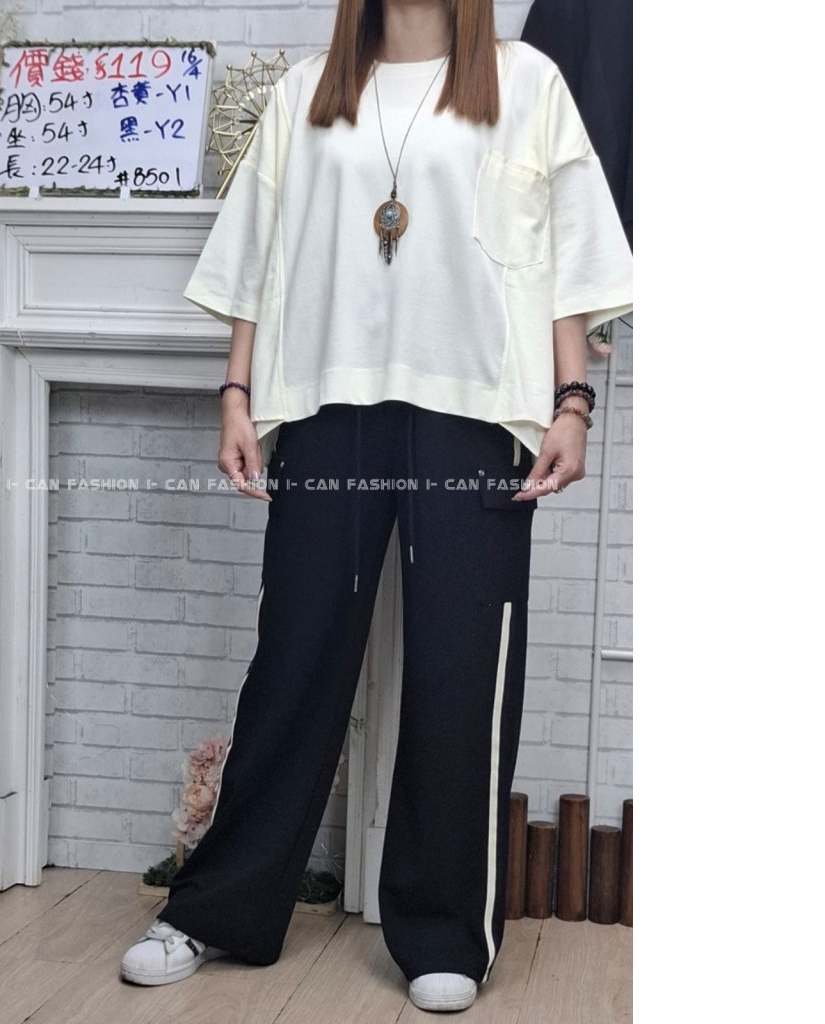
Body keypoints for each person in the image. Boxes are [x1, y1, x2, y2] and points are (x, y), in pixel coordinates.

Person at [121, 0, 632, 1013]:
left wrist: (572, 400)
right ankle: (219, 906)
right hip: (329, 407)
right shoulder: (305, 93)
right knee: (294, 659)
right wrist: (236, 393)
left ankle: (444, 929)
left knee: (460, 671)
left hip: (477, 415)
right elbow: (259, 256)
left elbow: (570, 252)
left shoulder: (526, 83)